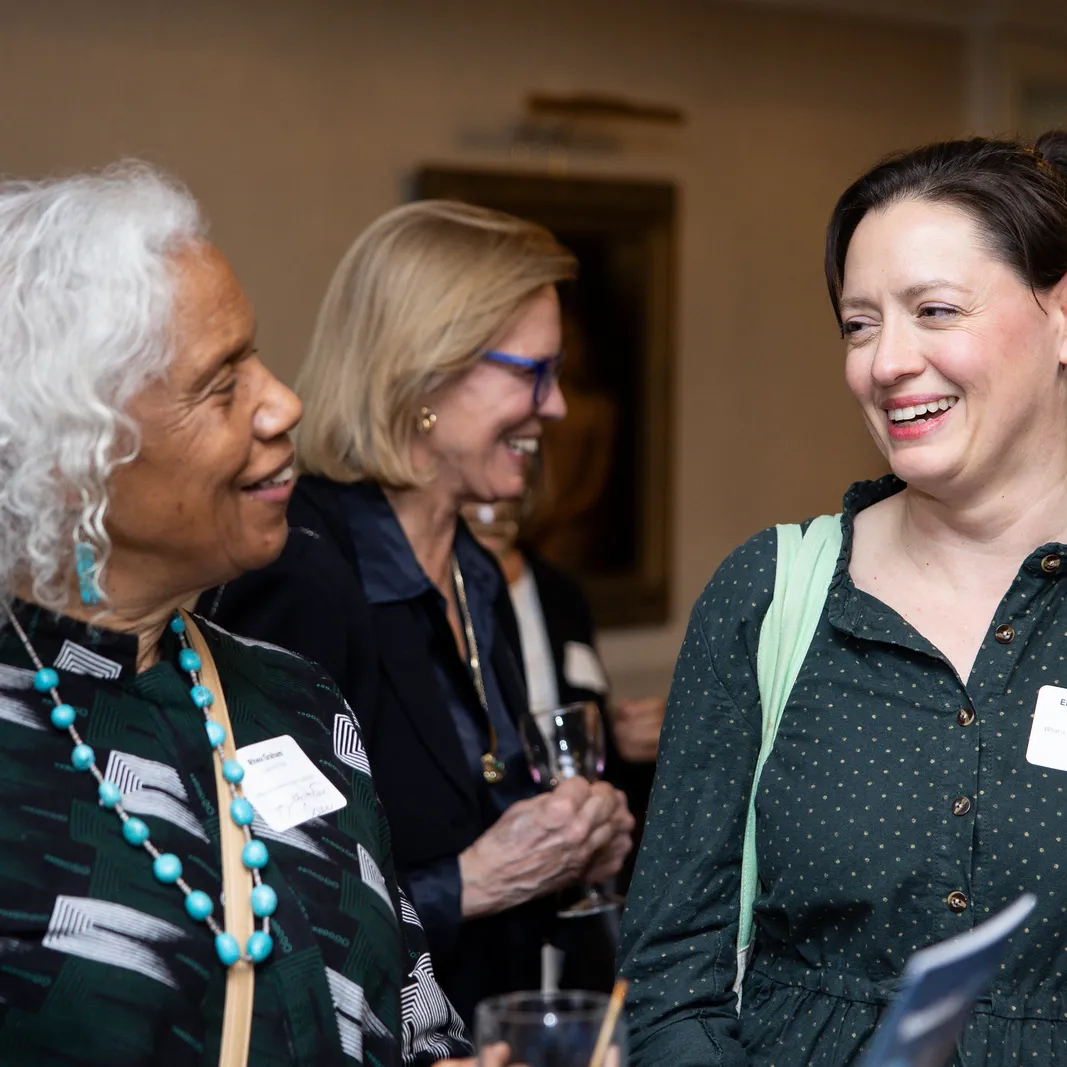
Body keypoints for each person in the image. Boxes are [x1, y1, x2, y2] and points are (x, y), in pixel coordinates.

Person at [0, 164, 475, 1066]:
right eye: (221, 385)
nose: (283, 402)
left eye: (255, 357)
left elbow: (412, 1019)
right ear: (76, 453)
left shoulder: (297, 698)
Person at [620, 130, 1067, 1067]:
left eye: (934, 311)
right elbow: (673, 974)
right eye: (859, 325)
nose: (886, 362)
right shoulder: (771, 594)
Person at [199, 200, 634, 1024]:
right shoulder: (300, 572)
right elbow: (268, 898)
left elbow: (482, 803)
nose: (557, 408)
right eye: (531, 372)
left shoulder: (471, 567)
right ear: (426, 372)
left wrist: (567, 844)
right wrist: (472, 881)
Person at [461, 496, 664, 891]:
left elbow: (585, 714)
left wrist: (625, 739)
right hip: (485, 855)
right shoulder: (432, 601)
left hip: (572, 850)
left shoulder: (560, 592)